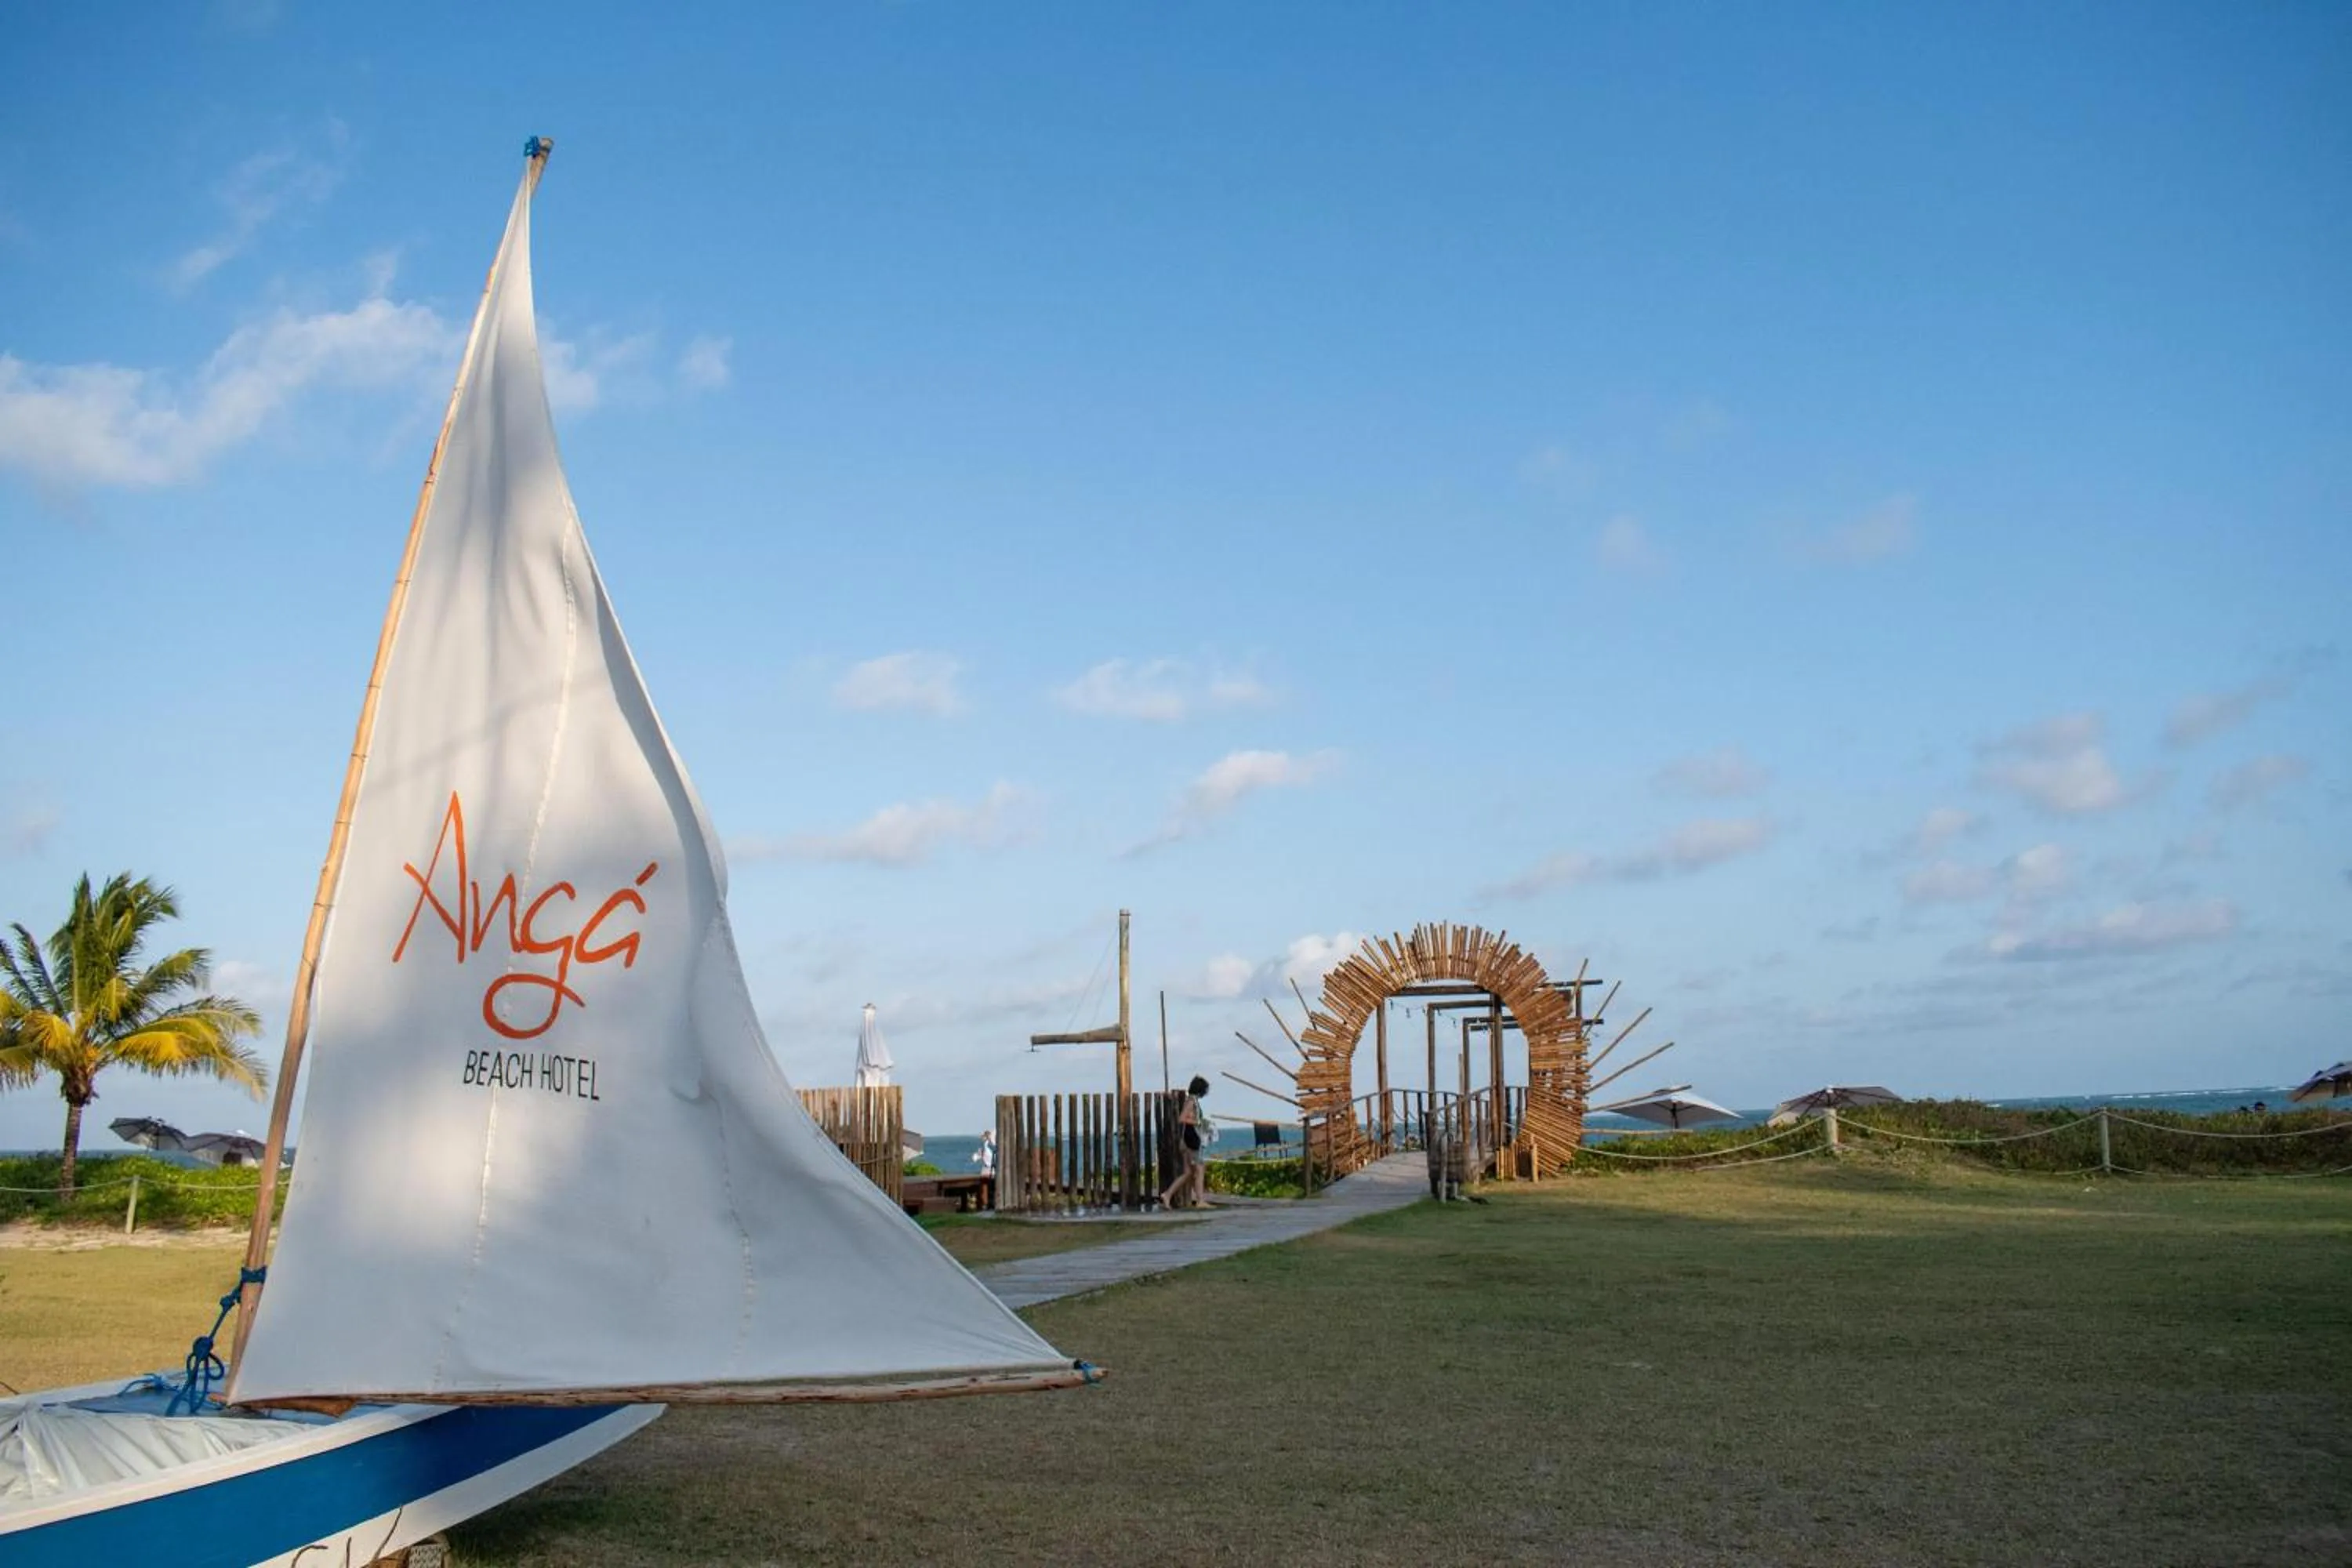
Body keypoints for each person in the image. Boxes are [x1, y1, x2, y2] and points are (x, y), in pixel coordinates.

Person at [1159, 1076, 1213, 1210]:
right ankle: (1200, 1201)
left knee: (1188, 1172)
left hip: (1187, 1139)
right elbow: (1182, 1118)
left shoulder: (1192, 1100)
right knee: (1200, 1169)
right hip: (1191, 1139)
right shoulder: (1191, 1101)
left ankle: (1167, 1195)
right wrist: (1198, 1122)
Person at [971, 1127, 996, 1208]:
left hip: (989, 1170)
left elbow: (976, 1158)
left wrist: (979, 1155)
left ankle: (986, 1203)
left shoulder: (988, 1146)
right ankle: (988, 1202)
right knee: (990, 1187)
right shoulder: (990, 1146)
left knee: (988, 1186)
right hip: (991, 1170)